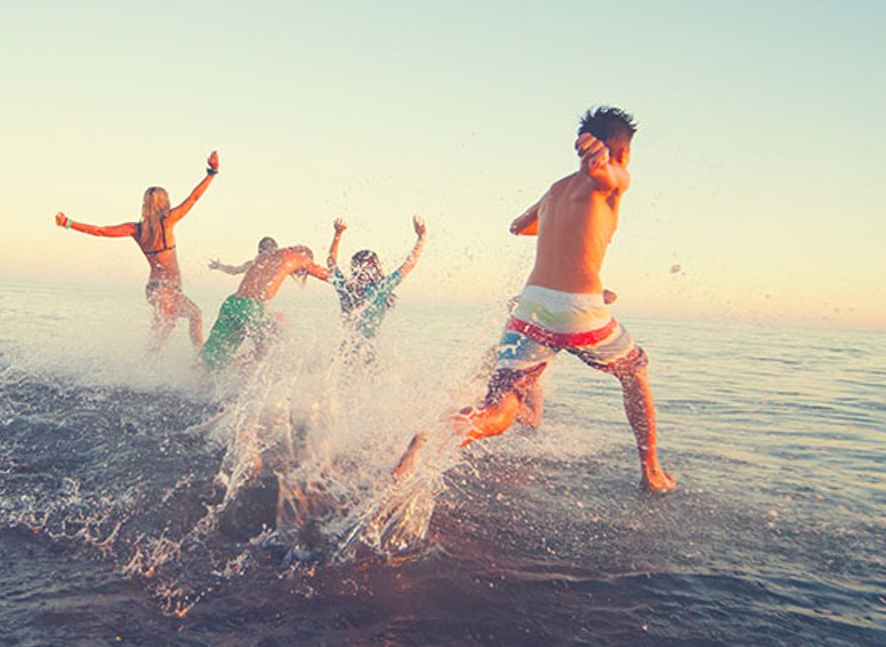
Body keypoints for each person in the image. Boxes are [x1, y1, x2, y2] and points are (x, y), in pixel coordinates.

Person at [395, 107, 676, 493]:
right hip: (580, 310)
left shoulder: (555, 190)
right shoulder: (614, 178)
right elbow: (604, 173)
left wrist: (559, 218)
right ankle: (652, 473)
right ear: (624, 153)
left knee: (500, 410)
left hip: (531, 308)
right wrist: (598, 159)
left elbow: (517, 226)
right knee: (635, 372)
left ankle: (440, 431)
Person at [55, 152, 220, 349]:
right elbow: (193, 198)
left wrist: (69, 223)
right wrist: (212, 173)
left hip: (155, 288)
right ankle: (197, 359)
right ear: (163, 202)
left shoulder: (136, 229)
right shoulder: (167, 221)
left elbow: (100, 231)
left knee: (166, 327)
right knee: (187, 319)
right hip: (165, 289)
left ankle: (143, 370)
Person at [199, 245, 330, 371]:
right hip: (250, 308)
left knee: (212, 356)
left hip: (232, 304)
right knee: (270, 347)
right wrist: (346, 282)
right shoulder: (301, 257)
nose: (298, 273)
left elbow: (241, 274)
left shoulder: (264, 256)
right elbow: (327, 275)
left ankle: (193, 380)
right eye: (301, 272)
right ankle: (233, 367)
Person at [325, 216, 426, 360]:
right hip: (368, 353)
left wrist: (338, 235)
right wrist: (421, 237)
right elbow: (408, 265)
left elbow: (331, 263)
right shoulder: (380, 289)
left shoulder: (346, 288)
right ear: (376, 268)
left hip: (344, 352)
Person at [209, 236, 279, 275]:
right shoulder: (254, 264)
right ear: (261, 251)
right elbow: (235, 270)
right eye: (267, 249)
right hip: (244, 298)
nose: (271, 252)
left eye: (273, 248)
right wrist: (219, 266)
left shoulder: (280, 264)